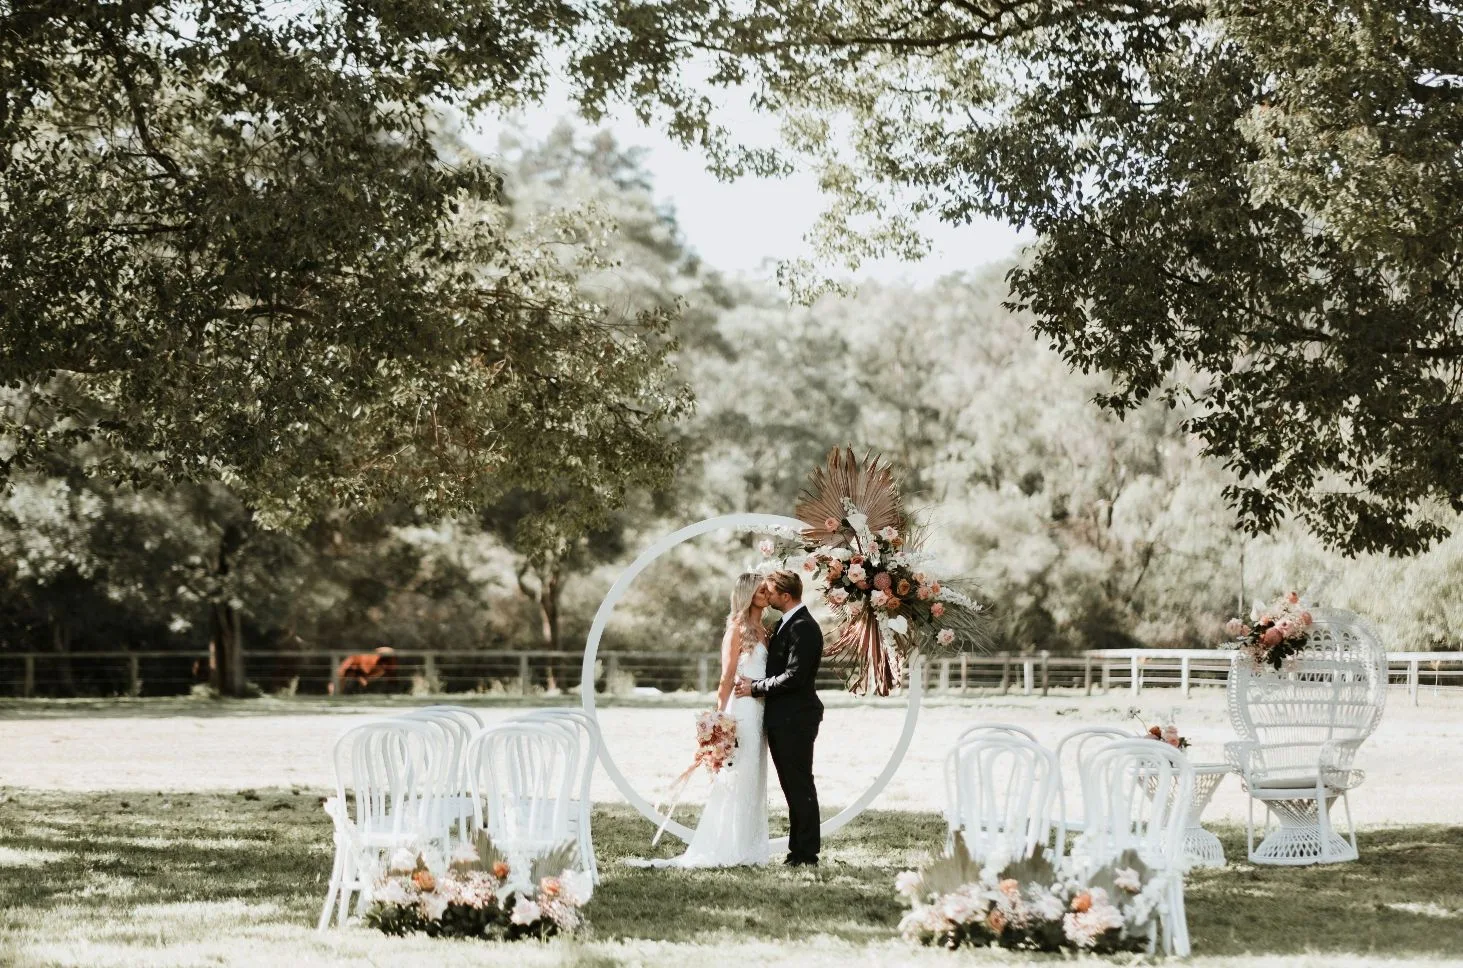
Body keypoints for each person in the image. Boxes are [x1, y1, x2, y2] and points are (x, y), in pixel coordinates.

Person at [628, 572, 772, 867]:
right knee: (736, 776)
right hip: (742, 710)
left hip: (761, 712)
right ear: (747, 594)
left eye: (766, 590)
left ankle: (749, 844)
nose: (766, 594)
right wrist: (720, 721)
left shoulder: (766, 632)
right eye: (760, 590)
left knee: (755, 776)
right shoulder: (736, 630)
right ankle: (727, 846)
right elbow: (726, 676)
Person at [735, 569, 825, 866]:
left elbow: (795, 677)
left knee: (799, 785)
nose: (767, 595)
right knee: (792, 785)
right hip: (782, 718)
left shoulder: (803, 628)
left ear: (785, 596)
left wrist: (755, 687)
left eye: (771, 591)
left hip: (796, 719)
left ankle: (806, 853)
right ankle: (797, 851)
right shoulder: (784, 624)